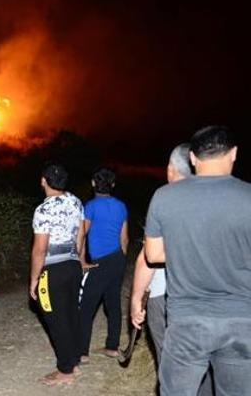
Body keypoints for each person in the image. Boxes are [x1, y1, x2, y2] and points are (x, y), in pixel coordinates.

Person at [144, 126, 251, 395]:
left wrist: (187, 247)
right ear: (234, 154)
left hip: (187, 323)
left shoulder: (164, 197)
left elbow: (153, 254)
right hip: (241, 320)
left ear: (192, 158)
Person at [132, 143, 215, 395]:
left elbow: (148, 256)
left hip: (166, 296)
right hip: (211, 296)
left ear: (170, 170)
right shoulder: (218, 198)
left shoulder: (165, 200)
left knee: (171, 366)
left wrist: (137, 298)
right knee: (207, 364)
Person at [30, 163, 84, 385]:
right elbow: (81, 235)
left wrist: (34, 278)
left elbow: (40, 249)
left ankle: (65, 370)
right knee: (71, 314)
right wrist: (77, 260)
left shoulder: (43, 211)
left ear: (43, 181)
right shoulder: (75, 201)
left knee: (55, 318)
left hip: (53, 270)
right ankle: (74, 362)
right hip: (73, 265)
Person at [79, 167, 128, 362]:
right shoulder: (121, 206)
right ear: (113, 185)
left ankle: (82, 352)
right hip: (117, 259)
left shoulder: (90, 206)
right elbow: (124, 239)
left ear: (93, 184)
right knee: (113, 303)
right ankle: (112, 347)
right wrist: (121, 260)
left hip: (99, 262)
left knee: (86, 307)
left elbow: (82, 234)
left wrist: (81, 260)